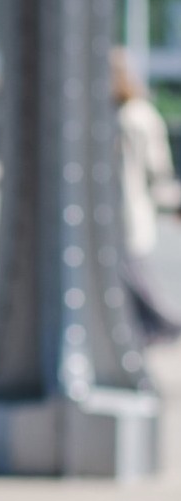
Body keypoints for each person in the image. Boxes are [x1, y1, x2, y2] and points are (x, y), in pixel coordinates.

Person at [111, 50, 181, 346]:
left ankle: (162, 325)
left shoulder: (131, 116)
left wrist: (173, 203)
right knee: (128, 271)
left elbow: (157, 169)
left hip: (127, 208)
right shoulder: (133, 113)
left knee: (133, 272)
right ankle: (149, 328)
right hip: (125, 208)